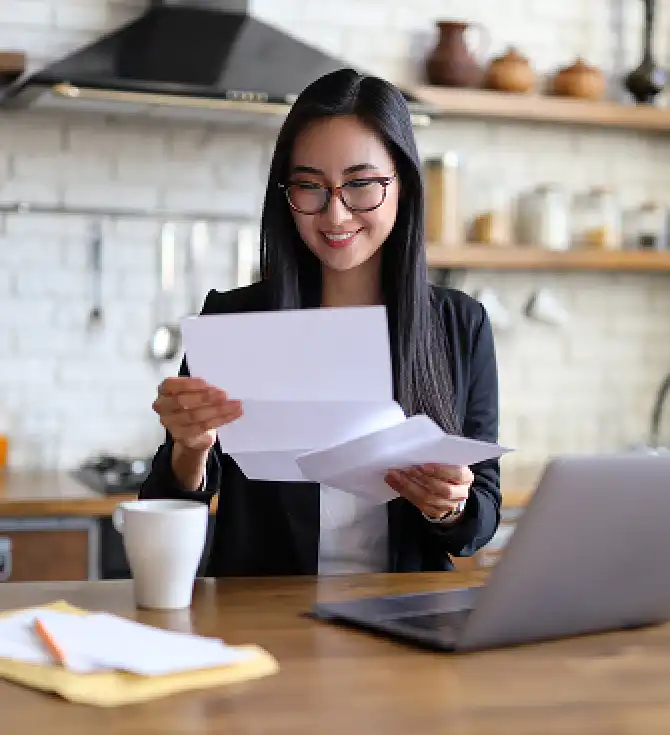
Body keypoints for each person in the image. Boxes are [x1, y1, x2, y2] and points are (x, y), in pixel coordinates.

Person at [139, 68, 501, 577]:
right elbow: (167, 505)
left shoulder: (460, 324)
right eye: (310, 187)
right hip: (265, 619)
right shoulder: (235, 320)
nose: (335, 214)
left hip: (402, 623)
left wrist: (452, 504)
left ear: (403, 185)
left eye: (360, 184)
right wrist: (189, 448)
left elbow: (480, 521)